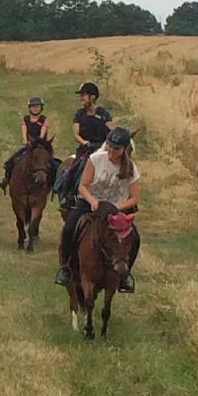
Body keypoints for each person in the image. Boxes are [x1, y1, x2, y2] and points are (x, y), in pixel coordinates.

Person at [54, 125, 141, 293]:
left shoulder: (131, 169)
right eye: (109, 146)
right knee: (68, 229)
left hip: (115, 208)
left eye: (116, 148)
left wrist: (117, 207)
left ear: (124, 149)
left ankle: (124, 274)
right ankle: (66, 267)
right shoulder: (95, 159)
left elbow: (135, 198)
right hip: (90, 204)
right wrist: (92, 201)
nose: (111, 150)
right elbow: (83, 186)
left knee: (135, 237)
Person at [0, 97, 53, 192]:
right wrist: (25, 141)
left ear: (41, 108)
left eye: (37, 106)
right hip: (29, 146)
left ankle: (54, 183)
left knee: (52, 163)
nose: (35, 108)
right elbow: (24, 131)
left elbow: (42, 134)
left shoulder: (44, 120)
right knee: (12, 160)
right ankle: (6, 179)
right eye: (33, 106)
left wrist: (38, 142)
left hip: (41, 146)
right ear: (29, 108)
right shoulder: (26, 119)